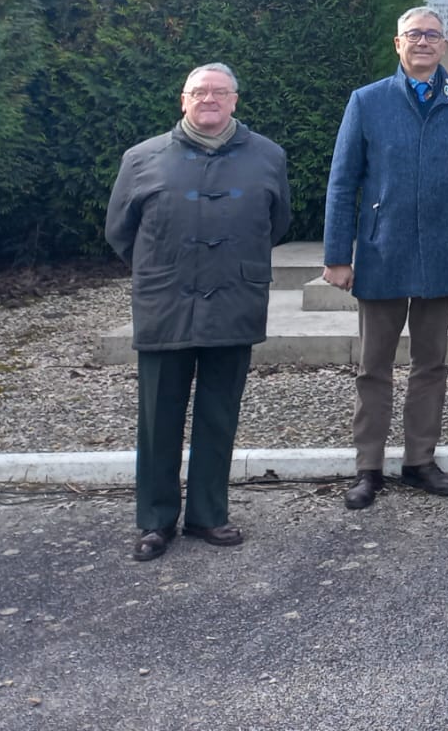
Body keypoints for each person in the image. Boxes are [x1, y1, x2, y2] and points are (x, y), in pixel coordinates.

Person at [106, 62, 292, 562]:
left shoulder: (268, 156)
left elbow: (276, 223)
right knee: (158, 417)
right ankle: (155, 520)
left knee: (218, 414)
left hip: (235, 299)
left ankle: (209, 513)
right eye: (198, 91)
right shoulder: (142, 158)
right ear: (182, 100)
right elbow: (120, 232)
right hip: (165, 303)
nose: (208, 99)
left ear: (235, 100)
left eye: (219, 91)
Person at [324, 8, 448, 510]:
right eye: (414, 35)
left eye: (432, 35)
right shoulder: (367, 101)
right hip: (381, 252)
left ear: (444, 46)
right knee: (373, 367)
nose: (423, 42)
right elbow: (342, 182)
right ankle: (368, 467)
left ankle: (420, 459)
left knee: (431, 364)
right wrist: (338, 255)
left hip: (445, 250)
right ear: (397, 43)